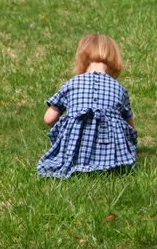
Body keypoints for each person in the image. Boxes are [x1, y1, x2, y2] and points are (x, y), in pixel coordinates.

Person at [37, 34, 137, 178]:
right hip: (113, 159)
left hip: (74, 154)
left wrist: (68, 127)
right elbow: (131, 130)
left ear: (81, 57)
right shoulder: (119, 89)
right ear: (114, 58)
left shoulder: (71, 84)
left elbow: (48, 118)